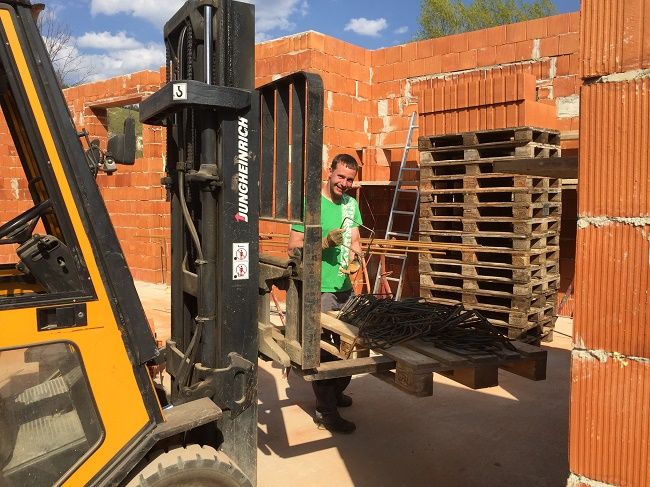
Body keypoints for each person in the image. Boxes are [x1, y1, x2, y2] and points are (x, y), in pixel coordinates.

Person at [287, 153, 363, 434]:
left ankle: (335, 392)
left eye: (350, 180)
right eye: (341, 176)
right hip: (319, 290)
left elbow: (355, 239)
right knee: (324, 352)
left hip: (345, 288)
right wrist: (322, 242)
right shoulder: (310, 204)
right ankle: (326, 411)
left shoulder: (350, 205)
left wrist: (357, 258)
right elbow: (293, 248)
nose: (344, 183)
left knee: (349, 347)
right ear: (329, 172)